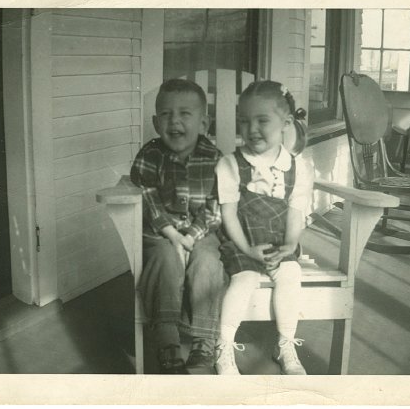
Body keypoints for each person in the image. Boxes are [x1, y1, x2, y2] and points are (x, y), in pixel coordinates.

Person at [214, 80, 313, 375]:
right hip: (241, 242)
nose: (251, 129)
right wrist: (247, 249)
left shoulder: (298, 167)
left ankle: (285, 344)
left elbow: (296, 211)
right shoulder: (231, 164)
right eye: (244, 121)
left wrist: (290, 244)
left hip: (277, 244)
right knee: (244, 280)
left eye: (262, 120)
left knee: (291, 274)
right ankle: (224, 346)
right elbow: (229, 214)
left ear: (285, 123)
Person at [129, 79, 224, 374]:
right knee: (164, 259)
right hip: (160, 232)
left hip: (203, 232)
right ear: (156, 123)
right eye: (167, 114)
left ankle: (203, 342)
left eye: (185, 114)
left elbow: (215, 205)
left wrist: (192, 237)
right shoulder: (150, 155)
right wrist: (171, 234)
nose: (175, 121)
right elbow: (146, 196)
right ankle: (168, 340)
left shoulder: (215, 159)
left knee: (208, 261)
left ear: (204, 122)